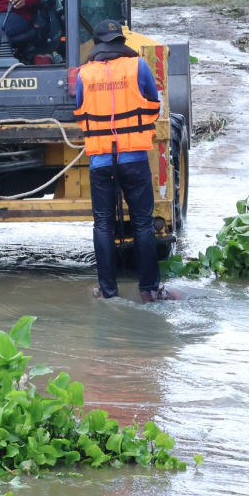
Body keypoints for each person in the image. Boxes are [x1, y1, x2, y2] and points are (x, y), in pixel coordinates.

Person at [74, 19, 180, 302]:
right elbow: (154, 104)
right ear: (121, 43)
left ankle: (108, 292)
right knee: (143, 223)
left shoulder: (84, 75)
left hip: (100, 162)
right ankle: (150, 290)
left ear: (96, 45)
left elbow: (79, 108)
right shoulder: (138, 67)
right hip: (133, 158)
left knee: (103, 225)